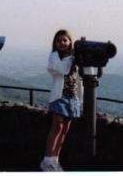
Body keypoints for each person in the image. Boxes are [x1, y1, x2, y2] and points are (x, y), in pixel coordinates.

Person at [40, 29, 83, 172]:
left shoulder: (76, 57)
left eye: (65, 40)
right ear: (55, 43)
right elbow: (63, 70)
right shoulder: (55, 56)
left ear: (70, 41)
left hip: (73, 98)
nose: (62, 43)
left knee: (64, 130)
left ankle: (55, 160)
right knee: (56, 127)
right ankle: (47, 161)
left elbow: (79, 76)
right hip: (59, 97)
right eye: (59, 41)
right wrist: (71, 58)